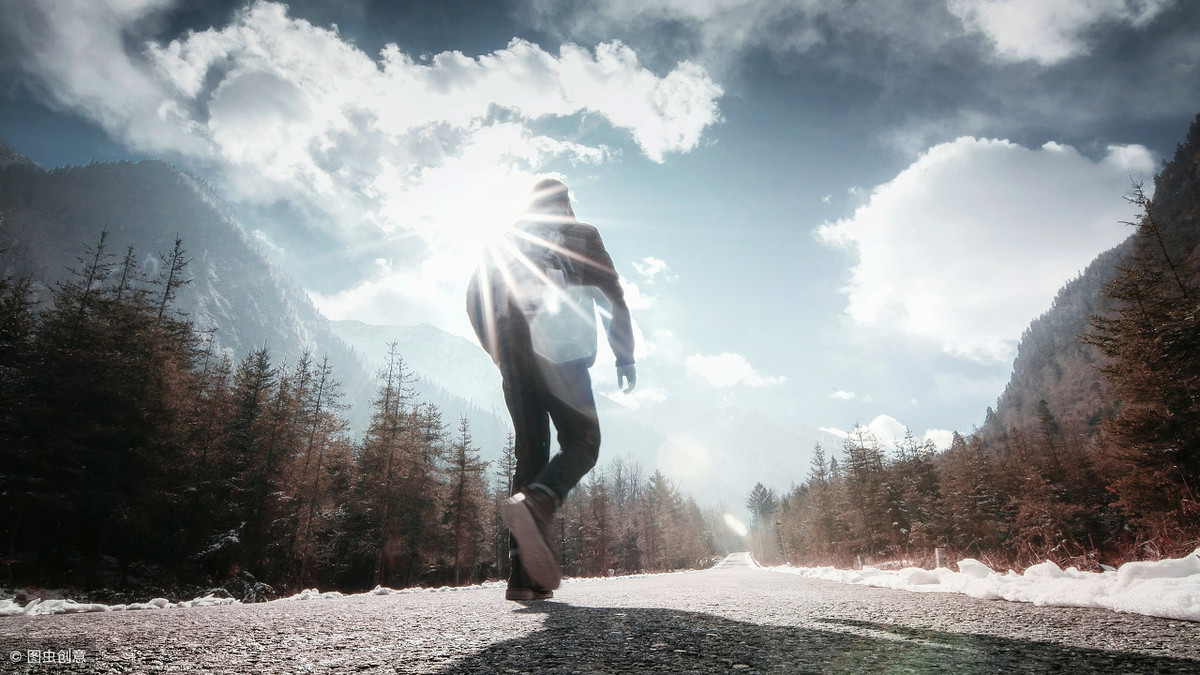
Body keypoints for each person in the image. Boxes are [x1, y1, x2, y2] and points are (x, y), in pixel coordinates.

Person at [466, 178, 635, 601]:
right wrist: (624, 354)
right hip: (561, 342)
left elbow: (474, 297)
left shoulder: (504, 240)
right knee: (583, 442)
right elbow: (611, 295)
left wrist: (500, 350)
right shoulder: (580, 234)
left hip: (512, 349)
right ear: (564, 204)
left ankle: (523, 578)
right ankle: (542, 499)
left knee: (531, 451)